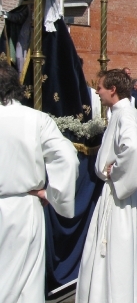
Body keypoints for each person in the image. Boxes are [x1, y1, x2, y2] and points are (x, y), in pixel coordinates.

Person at [0, 60, 79, 302]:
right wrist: (53, 194)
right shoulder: (36, 119)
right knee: (27, 280)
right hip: (25, 208)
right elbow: (67, 158)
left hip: (19, 203)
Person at [76, 69, 137, 302]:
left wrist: (114, 172)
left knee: (116, 250)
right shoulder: (120, 111)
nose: (97, 91)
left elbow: (132, 149)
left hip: (119, 193)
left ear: (113, 89)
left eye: (100, 87)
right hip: (118, 189)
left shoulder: (125, 114)